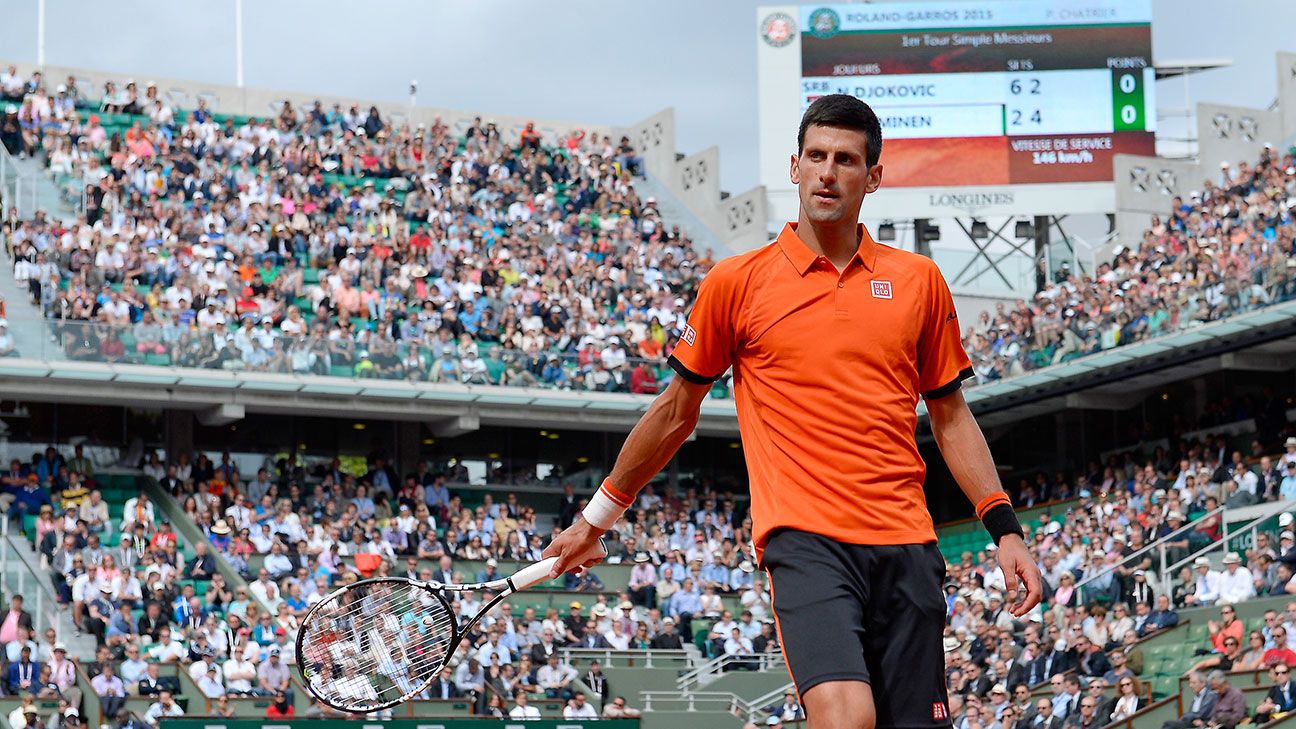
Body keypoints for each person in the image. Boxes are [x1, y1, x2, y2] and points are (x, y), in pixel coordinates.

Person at [543, 93, 1042, 729]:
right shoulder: (736, 283)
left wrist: (1004, 529)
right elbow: (674, 413)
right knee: (846, 718)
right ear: (794, 167)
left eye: (845, 159)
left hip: (909, 545)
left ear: (874, 177)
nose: (827, 172)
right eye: (815, 156)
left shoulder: (920, 282)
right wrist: (596, 519)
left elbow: (951, 417)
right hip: (806, 542)